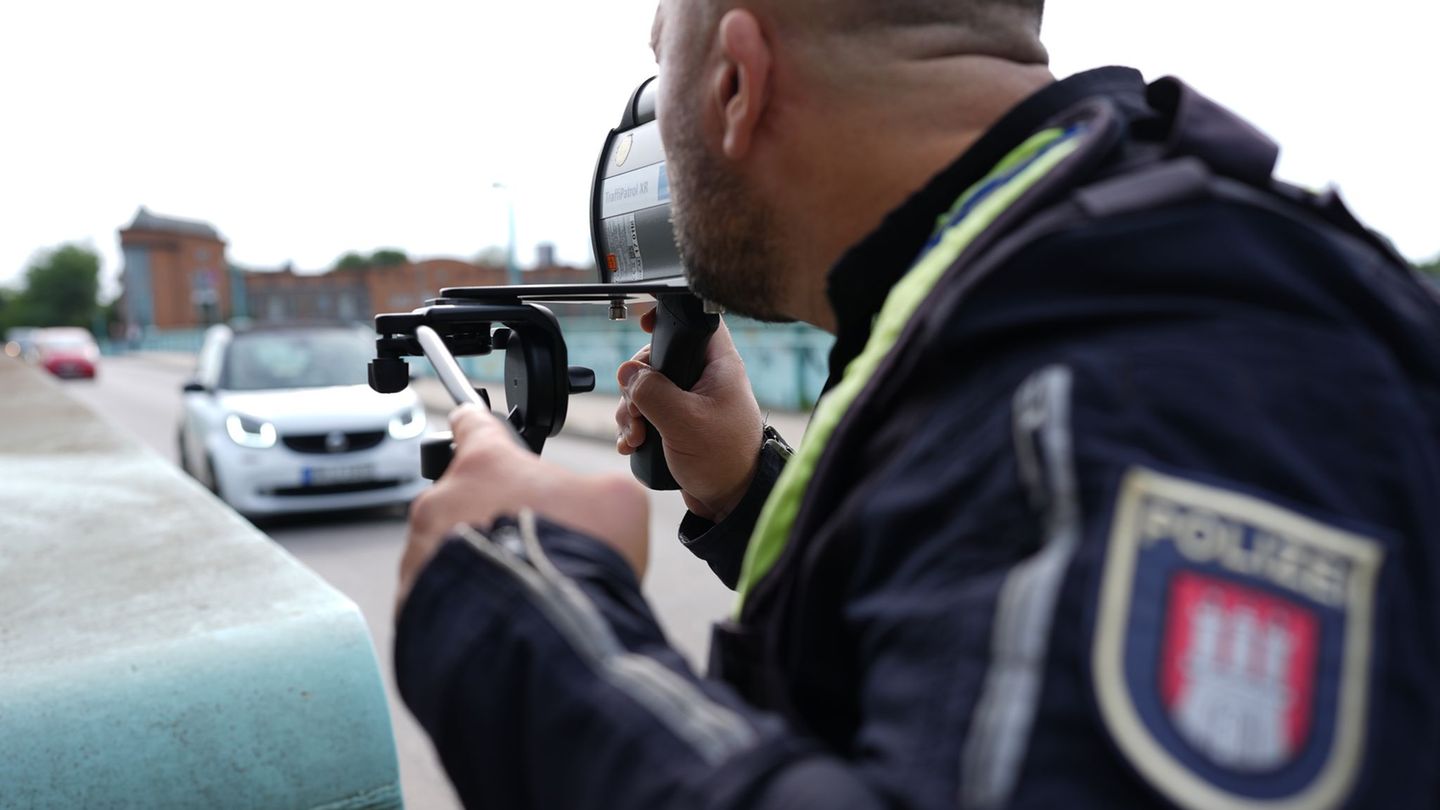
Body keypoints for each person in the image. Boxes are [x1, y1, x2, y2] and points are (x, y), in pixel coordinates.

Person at [395, 0, 1440, 807]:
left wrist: (536, 621)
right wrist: (751, 494)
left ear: (737, 84)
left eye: (659, 74)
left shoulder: (1128, 374)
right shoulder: (1075, 288)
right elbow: (964, 648)